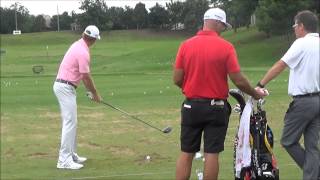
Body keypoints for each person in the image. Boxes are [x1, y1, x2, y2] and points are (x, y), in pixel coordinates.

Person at [173, 8, 267, 180]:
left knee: (186, 153)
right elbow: (238, 80)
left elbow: (177, 78)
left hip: (191, 105)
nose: (223, 29)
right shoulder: (226, 47)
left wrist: (192, 88)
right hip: (215, 108)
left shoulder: (185, 45)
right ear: (217, 22)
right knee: (211, 154)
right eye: (223, 25)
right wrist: (255, 93)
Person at [256, 10, 319, 180]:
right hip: (318, 101)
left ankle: (314, 173)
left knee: (288, 141)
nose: (294, 29)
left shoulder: (301, 43)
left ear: (301, 26)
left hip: (303, 102)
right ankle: (313, 174)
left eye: (295, 25)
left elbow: (280, 65)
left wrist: (260, 84)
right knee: (312, 146)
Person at [53, 25, 102, 170]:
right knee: (70, 122)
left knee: (72, 122)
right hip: (65, 87)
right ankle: (63, 160)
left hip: (66, 86)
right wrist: (95, 94)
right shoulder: (83, 52)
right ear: (93, 40)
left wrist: (90, 92)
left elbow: (79, 75)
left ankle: (72, 154)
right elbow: (86, 76)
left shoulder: (78, 45)